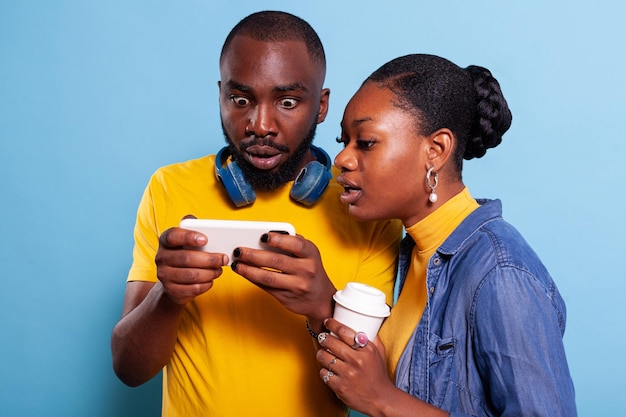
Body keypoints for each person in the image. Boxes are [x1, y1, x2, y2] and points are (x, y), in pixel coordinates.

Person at [110, 11, 402, 417]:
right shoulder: (168, 188)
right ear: (221, 96)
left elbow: (370, 392)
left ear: (321, 106)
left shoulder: (368, 210)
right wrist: (167, 295)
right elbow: (128, 368)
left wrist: (322, 305)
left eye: (287, 101)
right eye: (241, 99)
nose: (260, 125)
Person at [315, 54, 577, 416]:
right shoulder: (416, 252)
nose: (341, 159)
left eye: (366, 142)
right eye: (344, 141)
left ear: (435, 150)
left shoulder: (501, 273)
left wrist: (382, 399)